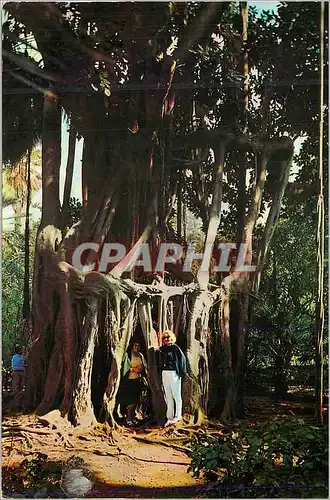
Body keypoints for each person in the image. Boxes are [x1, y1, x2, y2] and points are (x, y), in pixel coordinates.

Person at [158, 330, 187, 427]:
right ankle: (169, 418)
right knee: (168, 396)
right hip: (164, 373)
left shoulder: (175, 348)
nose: (166, 339)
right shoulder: (162, 349)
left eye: (168, 337)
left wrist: (182, 373)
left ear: (172, 338)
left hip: (174, 373)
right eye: (164, 338)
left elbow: (182, 360)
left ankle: (177, 416)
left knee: (176, 396)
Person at [119, 341, 147, 426]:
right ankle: (128, 419)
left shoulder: (140, 355)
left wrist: (141, 368)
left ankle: (133, 418)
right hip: (129, 380)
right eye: (135, 345)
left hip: (137, 380)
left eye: (138, 345)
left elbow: (144, 365)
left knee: (136, 401)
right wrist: (132, 369)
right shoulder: (128, 354)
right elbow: (125, 366)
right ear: (132, 346)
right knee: (130, 401)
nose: (137, 347)